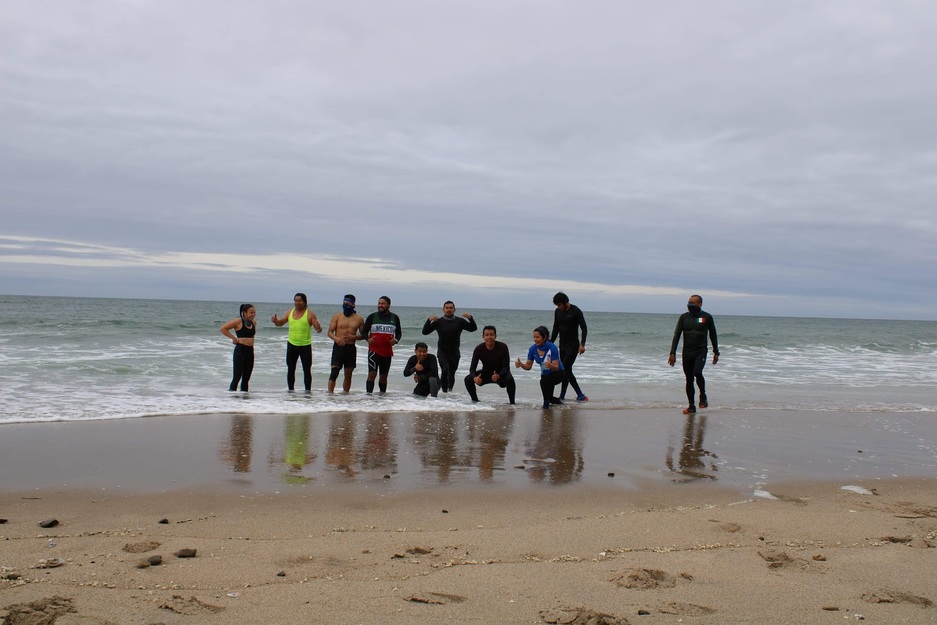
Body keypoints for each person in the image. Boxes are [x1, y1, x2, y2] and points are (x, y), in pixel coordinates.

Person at [668, 294, 719, 414]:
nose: (690, 304)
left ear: (700, 304)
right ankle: (691, 406)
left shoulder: (706, 317)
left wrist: (716, 352)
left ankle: (702, 395)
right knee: (689, 379)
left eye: (693, 302)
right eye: (689, 302)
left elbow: (713, 335)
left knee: (697, 372)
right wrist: (672, 353)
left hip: (700, 351)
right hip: (687, 351)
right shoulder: (683, 318)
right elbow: (676, 336)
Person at [421, 301, 477, 393]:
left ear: (454, 310)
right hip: (442, 352)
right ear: (443, 309)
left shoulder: (460, 321)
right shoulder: (438, 322)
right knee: (445, 370)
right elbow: (425, 332)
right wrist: (428, 320)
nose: (449, 310)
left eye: (451, 308)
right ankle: (444, 391)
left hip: (455, 352)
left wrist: (470, 318)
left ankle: (449, 392)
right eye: (447, 308)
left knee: (452, 373)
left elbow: (473, 328)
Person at [271, 293, 323, 392]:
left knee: (306, 370)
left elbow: (318, 330)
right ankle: (291, 391)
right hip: (291, 344)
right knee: (290, 369)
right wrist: (275, 321)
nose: (297, 303)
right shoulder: (290, 312)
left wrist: (318, 326)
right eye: (295, 300)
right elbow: (280, 323)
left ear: (305, 302)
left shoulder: (310, 314)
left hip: (305, 345)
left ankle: (307, 392)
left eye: (300, 301)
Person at [550, 292, 589, 402]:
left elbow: (584, 328)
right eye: (557, 305)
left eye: (560, 305)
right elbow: (555, 328)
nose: (558, 307)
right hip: (562, 345)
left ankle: (562, 397)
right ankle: (580, 395)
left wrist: (582, 344)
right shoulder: (557, 311)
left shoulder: (576, 311)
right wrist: (550, 343)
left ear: (565, 302)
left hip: (573, 345)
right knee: (567, 370)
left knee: (564, 370)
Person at [515, 325, 566, 409]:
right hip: (546, 375)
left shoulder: (552, 348)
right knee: (550, 397)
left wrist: (550, 365)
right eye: (534, 337)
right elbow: (528, 366)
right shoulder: (532, 349)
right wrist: (521, 364)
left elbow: (556, 367)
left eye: (537, 337)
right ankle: (562, 405)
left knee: (543, 382)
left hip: (558, 373)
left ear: (544, 337)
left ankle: (545, 406)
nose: (535, 339)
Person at [464, 325, 516, 404]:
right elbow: (472, 369)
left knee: (510, 379)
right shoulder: (479, 349)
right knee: (468, 379)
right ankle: (475, 401)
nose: (489, 337)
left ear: (495, 336)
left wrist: (498, 375)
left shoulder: (503, 347)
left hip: (500, 374)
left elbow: (506, 367)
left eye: (491, 335)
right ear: (483, 337)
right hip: (486, 373)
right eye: (487, 335)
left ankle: (512, 404)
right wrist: (475, 378)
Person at [362, 295, 402, 394]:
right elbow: (364, 331)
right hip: (374, 350)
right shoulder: (372, 317)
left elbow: (399, 333)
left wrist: (396, 340)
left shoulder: (394, 318)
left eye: (383, 303)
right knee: (372, 374)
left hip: (387, 351)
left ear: (388, 305)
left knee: (384, 376)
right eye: (379, 303)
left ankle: (382, 397)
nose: (380, 305)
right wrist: (368, 339)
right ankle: (368, 396)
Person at [327, 294, 364, 393]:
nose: (346, 305)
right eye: (344, 303)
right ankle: (330, 395)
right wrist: (336, 339)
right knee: (334, 372)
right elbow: (329, 332)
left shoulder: (359, 319)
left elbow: (363, 335)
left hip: (350, 348)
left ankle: (345, 396)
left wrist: (354, 337)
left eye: (348, 303)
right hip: (338, 347)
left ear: (353, 305)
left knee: (348, 374)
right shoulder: (337, 317)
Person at [219, 303, 256, 391]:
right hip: (240, 351)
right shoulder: (238, 321)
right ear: (244, 313)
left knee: (246, 378)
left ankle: (244, 401)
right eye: (251, 312)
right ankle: (232, 399)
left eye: (254, 312)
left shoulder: (253, 323)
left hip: (250, 352)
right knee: (237, 377)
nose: (253, 315)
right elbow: (223, 329)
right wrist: (233, 338)